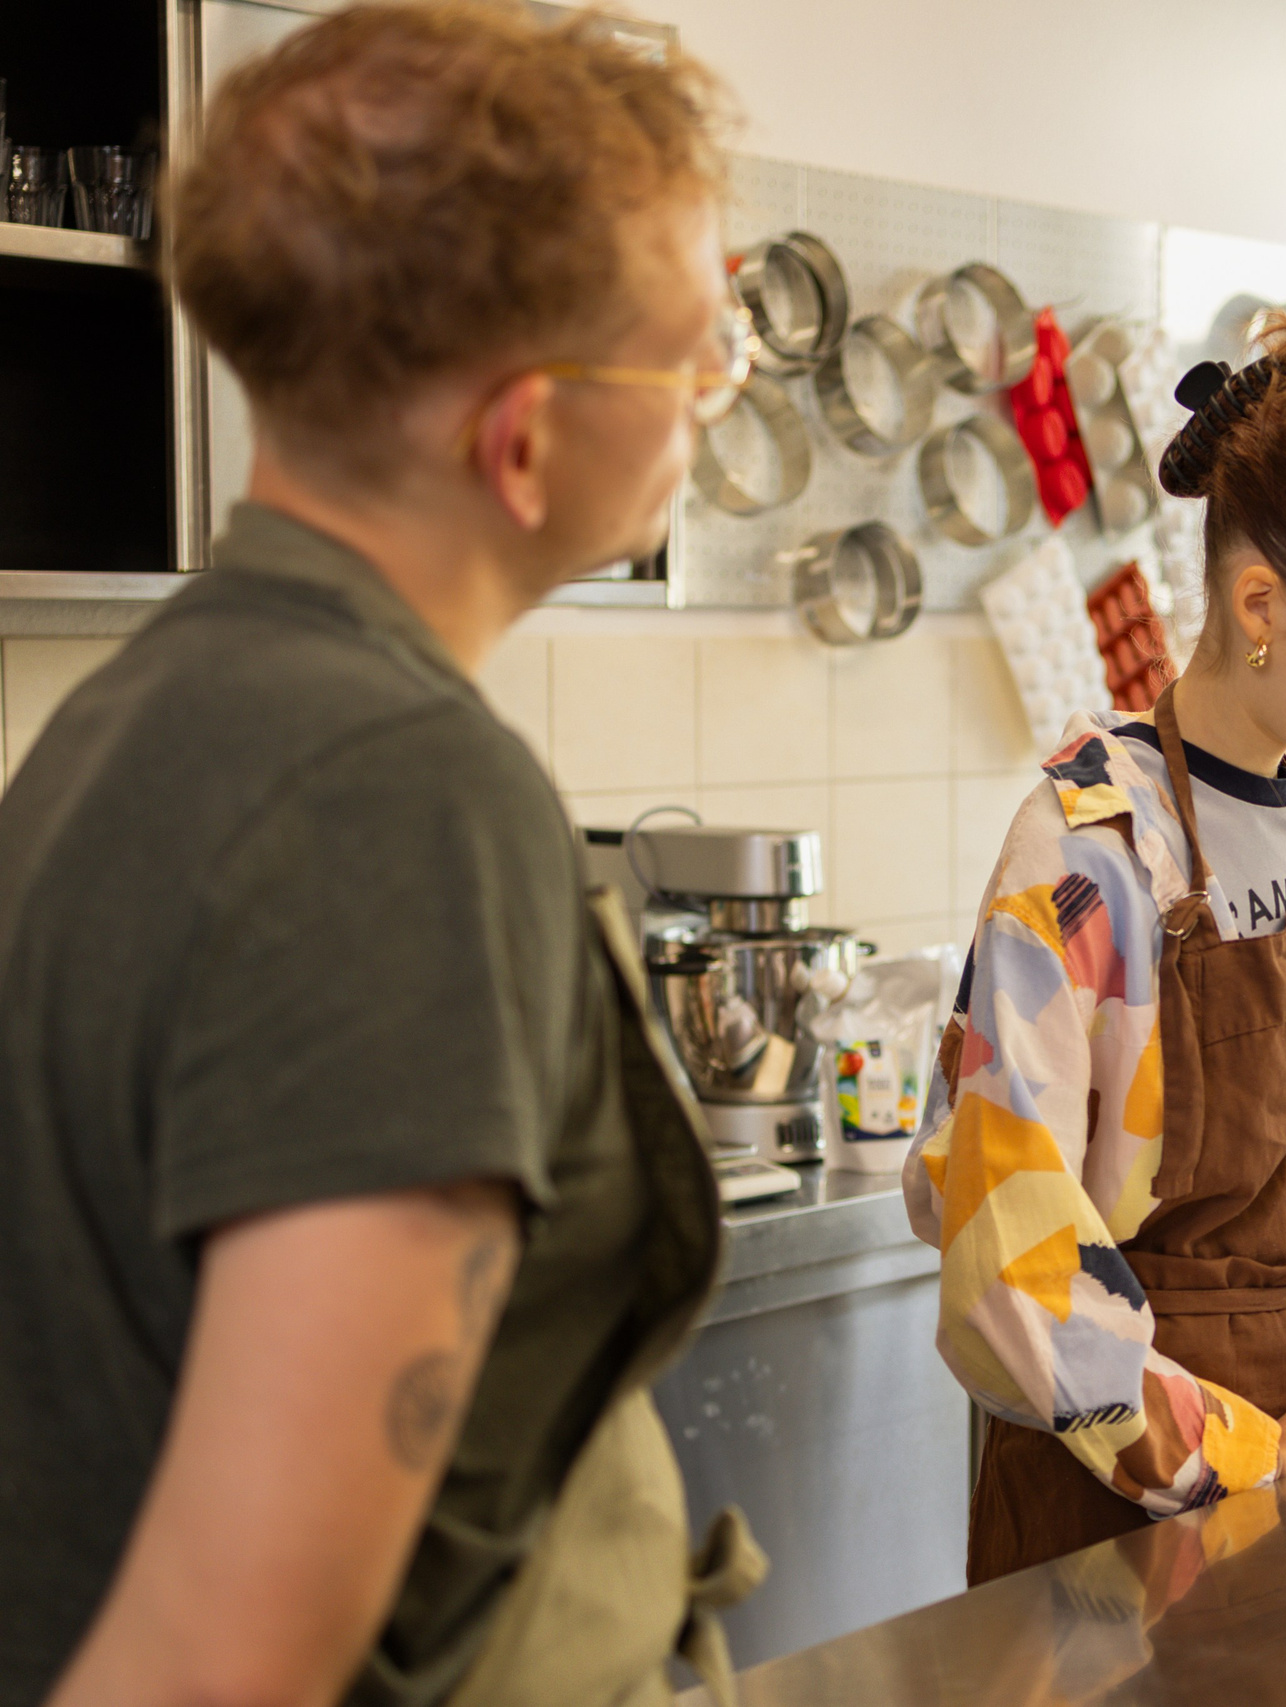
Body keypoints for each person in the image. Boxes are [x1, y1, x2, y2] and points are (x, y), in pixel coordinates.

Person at [0, 8, 766, 1703]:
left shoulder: (122, 726)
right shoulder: (402, 802)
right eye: (695, 361)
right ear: (521, 437)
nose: (718, 401)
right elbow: (227, 1655)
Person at [905, 316, 1286, 1582]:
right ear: (1260, 604)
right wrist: (1235, 1450)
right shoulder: (1091, 849)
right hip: (1124, 1490)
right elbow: (1007, 1241)